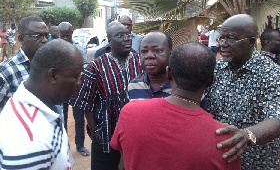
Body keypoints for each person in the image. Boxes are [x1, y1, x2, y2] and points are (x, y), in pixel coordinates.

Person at [111, 42, 241, 170]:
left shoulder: (130, 112)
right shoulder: (225, 140)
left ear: (169, 73)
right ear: (211, 80)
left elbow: (123, 163)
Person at [204, 14, 280, 169]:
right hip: (218, 160)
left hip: (255, 163)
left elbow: (277, 121)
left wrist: (247, 135)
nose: (223, 44)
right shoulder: (215, 69)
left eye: (231, 38)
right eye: (221, 38)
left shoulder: (272, 74)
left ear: (251, 42)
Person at [0, 39, 83, 169]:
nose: (79, 83)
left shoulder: (40, 105)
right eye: (76, 76)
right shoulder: (31, 142)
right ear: (53, 75)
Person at [70, 23, 142, 170]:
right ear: (109, 41)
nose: (126, 39)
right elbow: (86, 104)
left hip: (136, 135)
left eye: (128, 35)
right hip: (106, 135)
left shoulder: (140, 62)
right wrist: (96, 131)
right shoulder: (95, 67)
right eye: (120, 36)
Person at [0, 16, 48, 113]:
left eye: (46, 35)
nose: (45, 40)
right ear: (21, 39)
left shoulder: (50, 65)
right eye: (38, 36)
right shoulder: (6, 71)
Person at [58, 21, 90, 157]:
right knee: (62, 118)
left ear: (72, 33)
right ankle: (65, 146)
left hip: (77, 87)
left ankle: (80, 145)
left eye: (67, 35)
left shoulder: (80, 46)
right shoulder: (55, 48)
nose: (65, 38)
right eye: (62, 35)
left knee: (79, 119)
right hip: (60, 88)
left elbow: (86, 65)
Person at [128, 31, 172, 100]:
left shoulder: (181, 87)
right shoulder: (134, 86)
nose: (149, 56)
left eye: (157, 50)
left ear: (170, 54)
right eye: (144, 51)